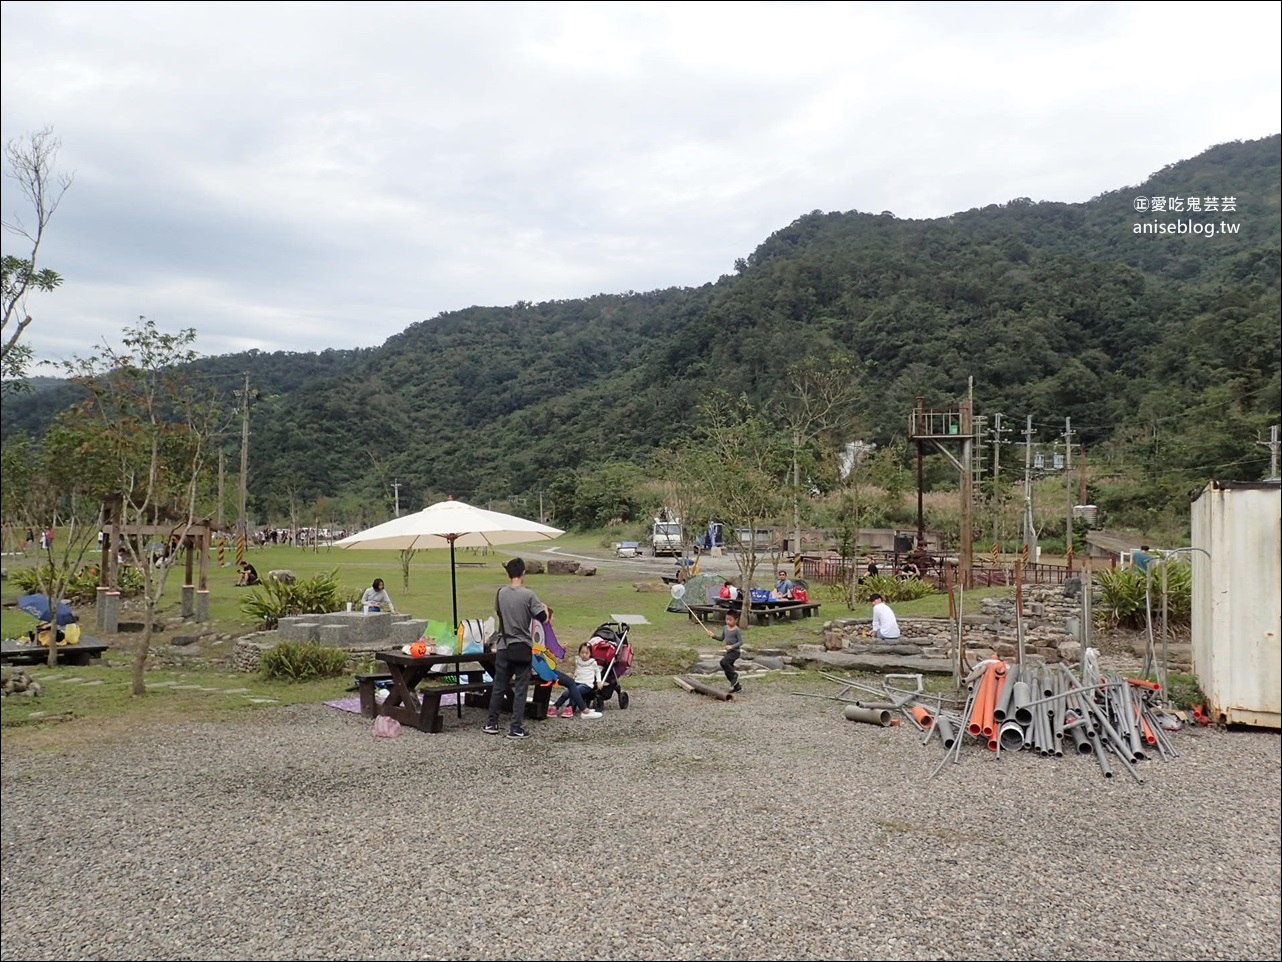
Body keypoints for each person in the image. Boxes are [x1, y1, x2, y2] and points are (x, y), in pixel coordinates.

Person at [484, 557, 552, 739]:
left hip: (503, 645)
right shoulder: (529, 595)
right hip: (522, 646)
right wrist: (544, 608)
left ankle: (492, 722)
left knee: (499, 685)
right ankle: (515, 727)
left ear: (508, 574)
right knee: (521, 687)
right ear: (523, 573)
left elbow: (499, 613)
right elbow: (542, 618)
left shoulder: (500, 593)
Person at [548, 643, 604, 719]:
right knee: (566, 692)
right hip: (577, 681)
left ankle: (570, 708)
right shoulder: (578, 660)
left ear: (590, 654)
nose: (584, 655)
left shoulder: (592, 662)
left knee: (574, 691)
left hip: (586, 684)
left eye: (586, 653)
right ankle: (555, 706)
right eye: (582, 653)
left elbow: (597, 672)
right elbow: (567, 661)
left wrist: (599, 681)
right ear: (579, 653)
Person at [713, 611, 744, 694]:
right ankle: (737, 687)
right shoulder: (725, 628)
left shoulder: (737, 630)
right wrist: (713, 636)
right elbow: (721, 638)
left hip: (735, 652)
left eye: (730, 620)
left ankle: (735, 675)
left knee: (723, 662)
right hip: (729, 652)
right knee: (727, 670)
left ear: (736, 620)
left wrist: (731, 646)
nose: (728, 621)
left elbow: (741, 642)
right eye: (727, 619)